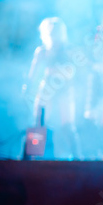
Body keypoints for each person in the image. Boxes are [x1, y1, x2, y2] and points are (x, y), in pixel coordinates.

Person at [23, 17, 82, 160]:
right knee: (38, 124)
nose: (53, 34)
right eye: (50, 31)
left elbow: (76, 71)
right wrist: (27, 87)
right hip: (47, 87)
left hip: (65, 89)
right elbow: (33, 73)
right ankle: (27, 158)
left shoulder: (69, 50)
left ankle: (78, 158)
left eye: (55, 31)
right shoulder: (42, 51)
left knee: (67, 125)